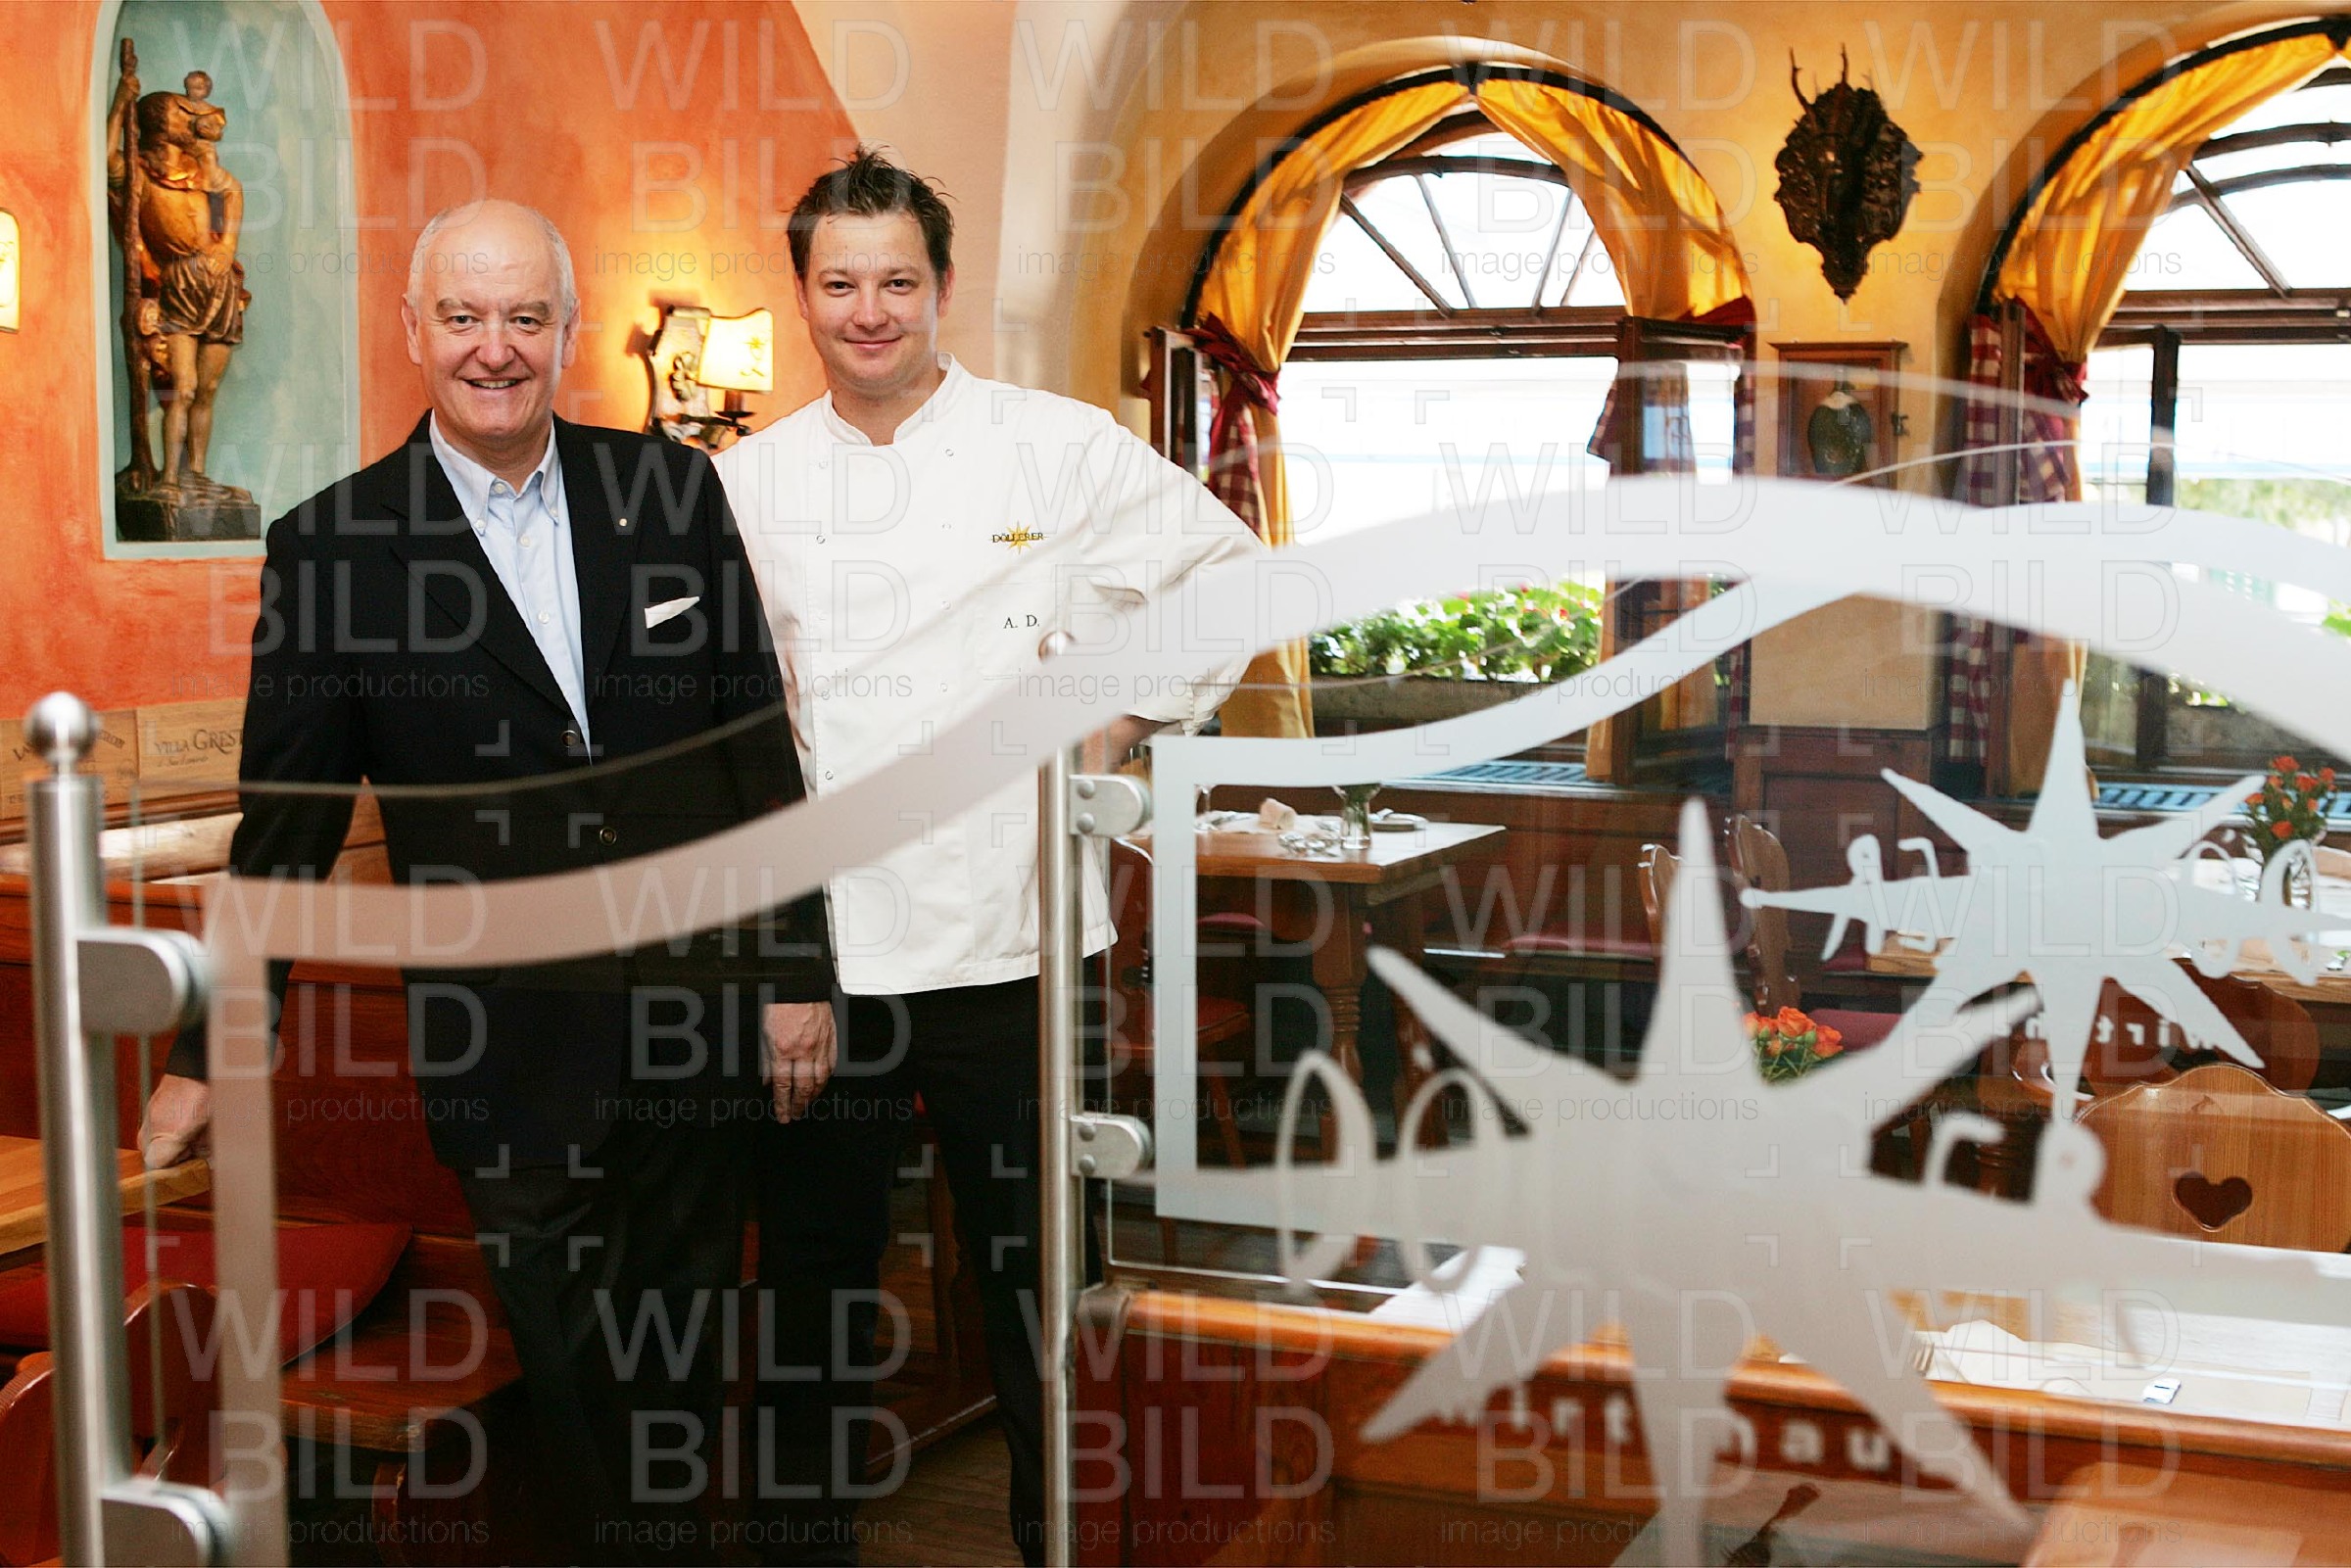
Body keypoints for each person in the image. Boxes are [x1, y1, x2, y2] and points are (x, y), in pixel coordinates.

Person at [137, 199, 834, 1562]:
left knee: (681, 1369)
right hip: (508, 1047)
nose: (494, 347)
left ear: (569, 331)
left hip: (694, 1019)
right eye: (463, 316)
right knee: (572, 1386)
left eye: (524, 316)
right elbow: (286, 829)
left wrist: (794, 970)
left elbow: (755, 745)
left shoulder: (671, 490)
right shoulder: (334, 547)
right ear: (415, 330)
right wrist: (209, 1047)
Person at [712, 148, 1262, 1565]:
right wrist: (773, 964)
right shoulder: (741, 485)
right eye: (842, 284)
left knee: (1042, 1289)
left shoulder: (1054, 446)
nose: (870, 311)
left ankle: (1059, 1544)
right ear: (802, 296)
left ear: (944, 287)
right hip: (829, 961)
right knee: (813, 1298)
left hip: (1022, 943)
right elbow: (733, 737)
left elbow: (1235, 574)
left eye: (898, 282)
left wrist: (1119, 714)